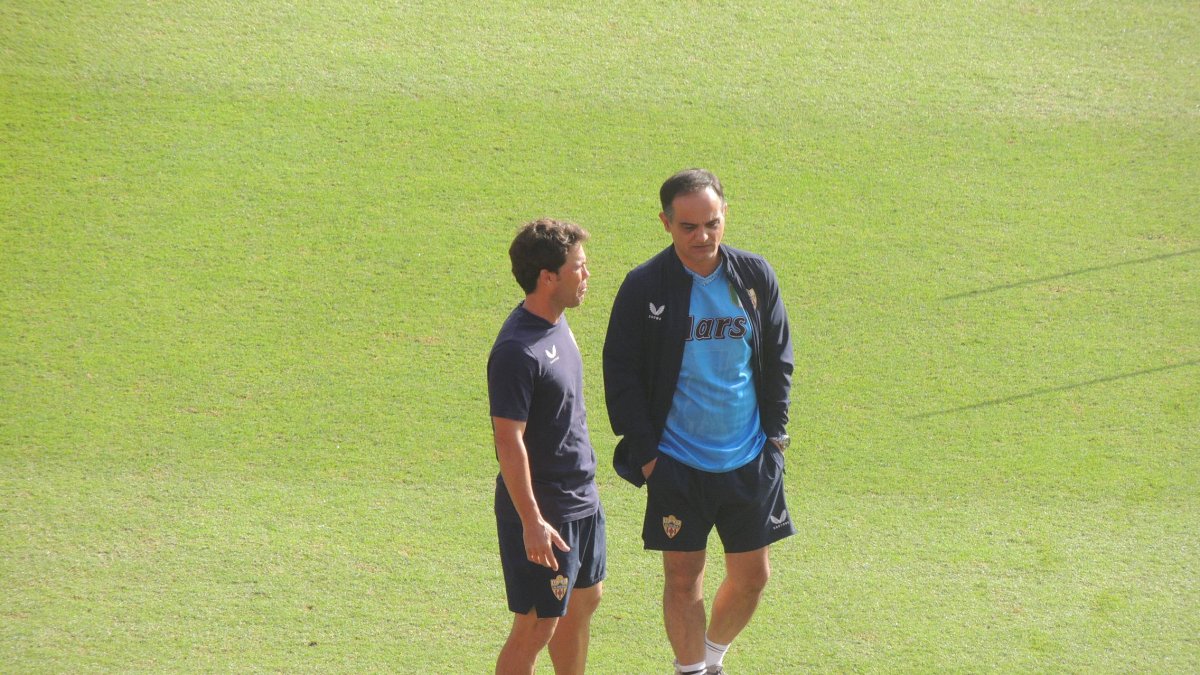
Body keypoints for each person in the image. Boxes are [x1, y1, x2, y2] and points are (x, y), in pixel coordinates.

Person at [603, 169, 795, 675]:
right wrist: (647, 456)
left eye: (711, 223)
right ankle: (690, 672)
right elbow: (619, 375)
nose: (702, 237)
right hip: (676, 463)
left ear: (724, 216)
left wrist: (775, 440)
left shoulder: (754, 277)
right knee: (683, 577)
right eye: (688, 226)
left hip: (749, 458)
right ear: (665, 222)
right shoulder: (645, 286)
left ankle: (711, 659)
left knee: (753, 577)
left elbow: (778, 360)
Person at [488, 218, 606, 675]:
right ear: (548, 277)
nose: (587, 275)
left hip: (582, 498)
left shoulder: (558, 326)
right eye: (579, 266)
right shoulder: (518, 350)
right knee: (537, 624)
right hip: (547, 508)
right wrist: (532, 521)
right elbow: (508, 440)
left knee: (584, 600)